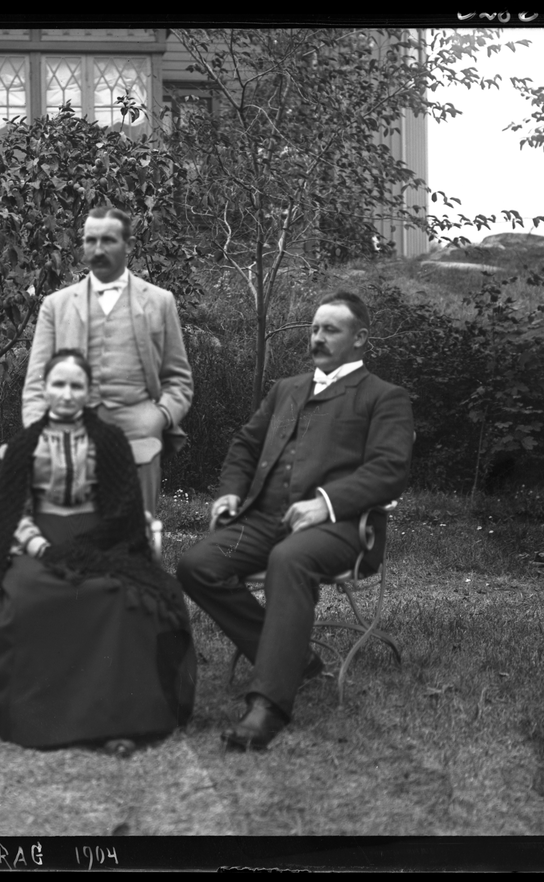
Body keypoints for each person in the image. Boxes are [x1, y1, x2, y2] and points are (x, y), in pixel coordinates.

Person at [176, 291, 414, 751]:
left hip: (342, 529)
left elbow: (390, 470)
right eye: (314, 328)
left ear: (360, 338)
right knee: (197, 566)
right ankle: (296, 661)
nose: (317, 338)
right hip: (264, 520)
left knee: (289, 559)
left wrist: (325, 503)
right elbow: (245, 446)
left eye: (331, 330)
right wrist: (230, 493)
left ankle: (268, 705)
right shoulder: (286, 389)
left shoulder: (384, 397)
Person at [0, 349, 197, 754]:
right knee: (25, 598)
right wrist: (39, 545)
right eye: (58, 384)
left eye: (76, 385)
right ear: (44, 389)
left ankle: (118, 721)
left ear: (89, 392)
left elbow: (124, 510)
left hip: (103, 541)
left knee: (119, 596)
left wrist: (89, 546)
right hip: (40, 543)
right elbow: (9, 511)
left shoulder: (109, 440)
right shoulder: (24, 445)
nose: (67, 393)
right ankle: (47, 717)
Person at [21, 206, 193, 516]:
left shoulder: (159, 302)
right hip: (68, 441)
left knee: (135, 533)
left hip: (138, 440)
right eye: (91, 240)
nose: (98, 249)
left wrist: (160, 416)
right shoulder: (56, 306)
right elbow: (36, 384)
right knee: (69, 535)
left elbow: (178, 379)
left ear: (128, 245)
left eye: (108, 240)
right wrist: (41, 435)